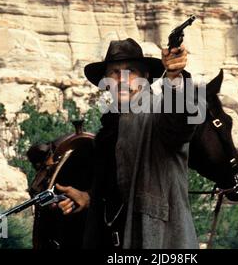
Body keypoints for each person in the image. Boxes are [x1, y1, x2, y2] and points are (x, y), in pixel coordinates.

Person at [56, 38, 201, 249]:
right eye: (114, 72)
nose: (122, 79)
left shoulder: (158, 110)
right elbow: (115, 192)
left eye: (130, 71)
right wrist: (88, 198)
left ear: (146, 76)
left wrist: (175, 77)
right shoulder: (110, 129)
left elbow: (179, 123)